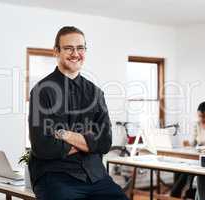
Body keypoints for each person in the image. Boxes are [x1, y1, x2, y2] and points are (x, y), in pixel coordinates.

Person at [28, 26, 128, 200]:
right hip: (55, 177)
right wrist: (89, 143)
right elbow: (42, 147)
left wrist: (64, 134)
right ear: (56, 52)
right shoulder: (42, 92)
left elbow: (104, 142)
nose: (75, 53)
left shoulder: (96, 93)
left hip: (96, 176)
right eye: (68, 48)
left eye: (80, 48)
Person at [171, 102, 205, 198]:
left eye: (203, 116)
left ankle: (175, 193)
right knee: (179, 166)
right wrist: (188, 144)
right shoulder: (198, 124)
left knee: (187, 169)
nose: (201, 119)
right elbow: (194, 143)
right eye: (199, 116)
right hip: (197, 156)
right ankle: (179, 193)